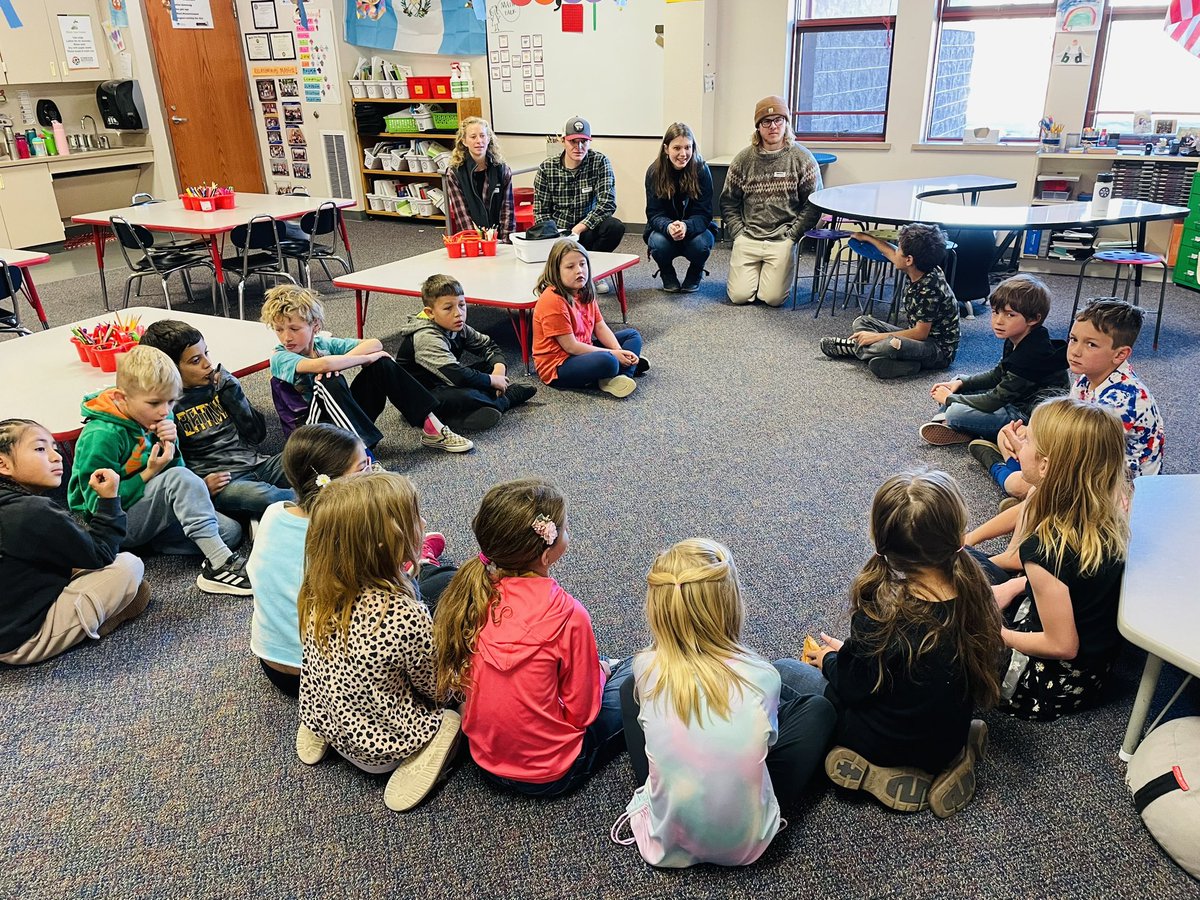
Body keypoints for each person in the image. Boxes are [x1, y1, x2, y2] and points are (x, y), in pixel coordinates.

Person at [615, 539, 835, 868]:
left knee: (632, 692)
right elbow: (768, 744)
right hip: (746, 843)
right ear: (730, 605)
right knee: (817, 710)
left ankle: (669, 786)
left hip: (667, 838)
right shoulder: (762, 676)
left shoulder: (645, 669)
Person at [800, 470, 1004, 818]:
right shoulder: (978, 593)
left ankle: (880, 771)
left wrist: (831, 660)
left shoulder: (879, 618)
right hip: (945, 736)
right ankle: (956, 756)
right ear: (956, 533)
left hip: (889, 742)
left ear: (882, 542)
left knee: (802, 682)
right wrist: (850, 652)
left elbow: (853, 688)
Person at [432, 478, 632, 798]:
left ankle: (598, 667)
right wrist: (599, 676)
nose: (569, 535)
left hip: (485, 763)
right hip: (553, 774)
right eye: (565, 530)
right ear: (545, 555)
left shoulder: (470, 596)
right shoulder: (569, 616)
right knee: (641, 669)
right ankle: (606, 668)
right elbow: (582, 714)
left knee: (576, 665)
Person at [248, 424, 456, 696]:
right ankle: (420, 560)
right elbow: (385, 604)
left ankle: (415, 558)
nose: (371, 471)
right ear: (332, 483)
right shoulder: (348, 532)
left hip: (272, 665)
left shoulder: (274, 512)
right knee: (449, 582)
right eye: (362, 468)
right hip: (332, 676)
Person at [295, 472, 461, 813]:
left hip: (327, 717)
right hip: (384, 748)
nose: (423, 522)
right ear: (386, 543)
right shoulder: (402, 613)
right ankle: (426, 752)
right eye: (414, 518)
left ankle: (320, 729)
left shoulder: (315, 590)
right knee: (459, 710)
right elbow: (435, 688)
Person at [984, 398, 1130, 722]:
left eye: (1029, 439)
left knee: (940, 632)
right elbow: (1074, 584)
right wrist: (1016, 584)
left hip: (1049, 684)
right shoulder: (1107, 514)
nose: (1020, 445)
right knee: (975, 573)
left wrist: (997, 635)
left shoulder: (1043, 550)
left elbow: (1062, 645)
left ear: (1047, 466)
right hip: (1095, 665)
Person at [67, 346, 252, 596]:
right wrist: (149, 473)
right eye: (154, 403)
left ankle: (153, 541)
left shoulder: (158, 418)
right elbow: (96, 506)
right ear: (122, 399)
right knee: (183, 488)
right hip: (114, 524)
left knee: (231, 532)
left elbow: (177, 473)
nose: (165, 410)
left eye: (171, 401)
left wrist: (171, 447)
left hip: (148, 507)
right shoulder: (101, 436)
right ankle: (219, 566)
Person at [969, 298, 1165, 502]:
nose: (1075, 351)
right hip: (1084, 460)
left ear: (1120, 354)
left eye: (1091, 344)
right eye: (1073, 339)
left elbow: (1077, 461)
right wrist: (1029, 438)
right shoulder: (1086, 379)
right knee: (1008, 433)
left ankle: (999, 469)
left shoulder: (1121, 402)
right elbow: (1066, 431)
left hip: (1113, 490)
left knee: (1020, 483)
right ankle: (1031, 500)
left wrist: (1029, 451)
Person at [0, 419, 150, 665]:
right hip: (19, 640)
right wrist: (109, 501)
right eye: (40, 449)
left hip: (11, 614)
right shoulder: (31, 511)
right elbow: (102, 553)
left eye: (55, 448)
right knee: (129, 566)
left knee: (70, 555)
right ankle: (88, 627)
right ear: (2, 464)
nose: (55, 456)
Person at [261, 284, 473, 454]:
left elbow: (374, 343)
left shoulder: (322, 345)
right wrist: (363, 358)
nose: (286, 337)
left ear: (315, 326)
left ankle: (433, 429)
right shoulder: (281, 357)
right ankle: (363, 456)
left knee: (381, 364)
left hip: (343, 423)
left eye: (294, 328)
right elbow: (323, 365)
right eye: (279, 330)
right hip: (314, 438)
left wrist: (367, 358)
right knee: (328, 378)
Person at [140, 320, 294, 519]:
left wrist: (235, 394)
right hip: (223, 482)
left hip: (258, 464)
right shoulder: (165, 407)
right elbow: (171, 468)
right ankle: (313, 502)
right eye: (195, 361)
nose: (207, 364)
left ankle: (278, 510)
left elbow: (257, 435)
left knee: (308, 452)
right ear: (170, 369)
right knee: (260, 495)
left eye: (206, 353)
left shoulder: (220, 386)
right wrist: (200, 486)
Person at [920, 274, 1068, 446]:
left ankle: (954, 423)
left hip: (1025, 416)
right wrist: (961, 384)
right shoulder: (1017, 337)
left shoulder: (1032, 354)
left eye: (1010, 315)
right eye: (995, 312)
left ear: (1034, 319)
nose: (998, 321)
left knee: (956, 412)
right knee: (957, 380)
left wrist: (949, 399)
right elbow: (997, 375)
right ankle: (957, 426)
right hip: (1012, 398)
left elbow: (995, 400)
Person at [395, 274, 536, 433]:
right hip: (418, 399)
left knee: (489, 366)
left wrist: (498, 371)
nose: (458, 313)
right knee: (465, 393)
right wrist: (492, 381)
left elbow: (488, 345)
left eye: (462, 305)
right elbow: (457, 376)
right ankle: (505, 400)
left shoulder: (457, 325)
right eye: (448, 308)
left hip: (443, 380)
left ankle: (463, 412)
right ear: (430, 313)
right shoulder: (426, 337)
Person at [818, 224, 960, 380]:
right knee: (862, 322)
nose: (895, 252)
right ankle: (897, 361)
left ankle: (853, 348)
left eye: (899, 249)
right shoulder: (920, 267)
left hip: (937, 349)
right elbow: (889, 251)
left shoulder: (929, 288)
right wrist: (867, 237)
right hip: (919, 339)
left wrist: (876, 338)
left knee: (891, 345)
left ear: (909, 260)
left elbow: (920, 333)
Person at [719, 95, 823, 307]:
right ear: (758, 127)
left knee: (773, 299)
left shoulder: (803, 159)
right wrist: (738, 233)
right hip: (748, 237)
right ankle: (754, 274)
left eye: (778, 120)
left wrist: (792, 235)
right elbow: (728, 202)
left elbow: (813, 204)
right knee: (739, 297)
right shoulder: (743, 160)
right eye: (766, 122)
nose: (773, 126)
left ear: (786, 123)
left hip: (782, 239)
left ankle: (770, 276)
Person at [531, 239, 647, 399]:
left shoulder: (584, 289)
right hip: (559, 364)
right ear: (556, 271)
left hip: (584, 348)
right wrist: (614, 354)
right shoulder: (553, 300)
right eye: (570, 267)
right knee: (609, 361)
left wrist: (618, 350)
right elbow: (571, 347)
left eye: (582, 264)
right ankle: (621, 368)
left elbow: (600, 327)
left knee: (632, 335)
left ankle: (621, 376)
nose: (579, 271)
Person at [534, 115, 624, 292]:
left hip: (587, 229)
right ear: (563, 141)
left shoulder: (599, 162)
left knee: (615, 227)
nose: (579, 147)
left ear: (590, 142)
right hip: (559, 233)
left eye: (584, 142)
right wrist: (558, 235)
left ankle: (592, 272)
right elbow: (541, 212)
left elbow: (607, 203)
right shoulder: (547, 168)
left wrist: (578, 229)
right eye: (573, 142)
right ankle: (562, 272)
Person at [642, 122, 717, 294]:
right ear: (666, 148)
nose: (683, 154)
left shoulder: (702, 170)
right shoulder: (654, 172)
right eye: (677, 148)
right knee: (658, 244)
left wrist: (686, 226)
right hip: (664, 230)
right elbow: (654, 214)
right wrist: (669, 226)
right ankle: (667, 273)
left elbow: (704, 214)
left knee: (701, 245)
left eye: (687, 147)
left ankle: (695, 272)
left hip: (696, 230)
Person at [443, 116, 515, 242]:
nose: (479, 141)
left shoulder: (502, 170)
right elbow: (462, 216)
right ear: (464, 141)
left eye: (482, 136)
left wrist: (506, 242)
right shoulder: (454, 173)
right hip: (473, 241)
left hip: (499, 239)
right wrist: (478, 242)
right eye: (473, 137)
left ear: (488, 139)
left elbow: (507, 211)